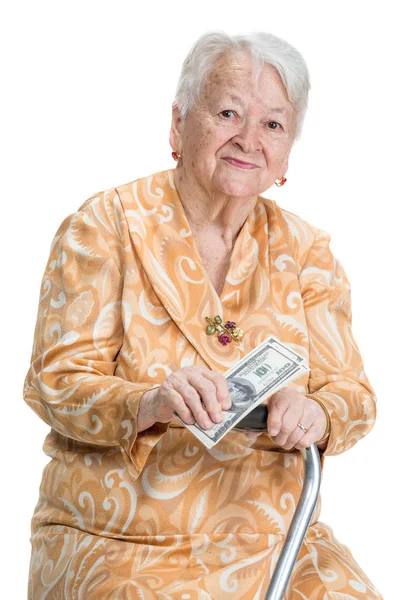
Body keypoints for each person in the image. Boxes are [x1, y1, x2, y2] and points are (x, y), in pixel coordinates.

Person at [24, 31, 383, 599]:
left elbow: (355, 396)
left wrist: (317, 410)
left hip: (274, 541)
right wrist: (148, 402)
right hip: (122, 539)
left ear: (288, 150)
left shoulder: (306, 249)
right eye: (227, 113)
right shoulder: (105, 225)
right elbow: (55, 385)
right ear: (177, 124)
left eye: (273, 124)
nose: (248, 139)